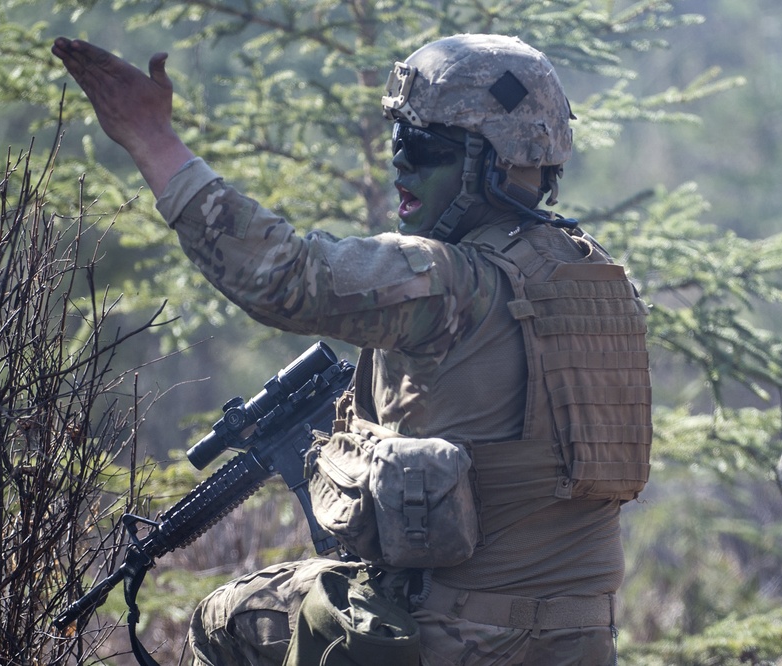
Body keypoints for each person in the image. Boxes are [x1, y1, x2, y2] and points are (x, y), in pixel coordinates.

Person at [53, 32, 651, 666]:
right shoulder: (603, 283)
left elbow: (283, 275)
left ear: (497, 164)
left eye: (423, 147)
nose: (401, 164)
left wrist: (152, 138)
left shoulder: (451, 282)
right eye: (397, 140)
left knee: (225, 619)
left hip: (452, 637)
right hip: (577, 641)